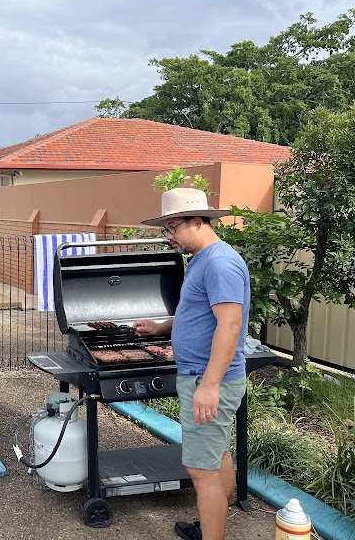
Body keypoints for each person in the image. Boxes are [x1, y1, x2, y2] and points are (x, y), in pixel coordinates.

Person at [132, 188, 249, 540]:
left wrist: (209, 386)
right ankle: (212, 523)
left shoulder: (219, 263)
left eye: (173, 228)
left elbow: (230, 325)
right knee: (217, 456)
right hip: (203, 377)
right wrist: (161, 327)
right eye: (166, 229)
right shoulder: (202, 259)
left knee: (200, 470)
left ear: (197, 222)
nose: (169, 236)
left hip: (208, 379)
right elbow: (199, 314)